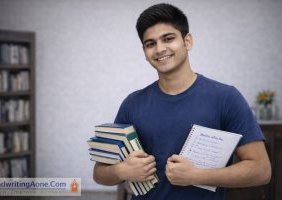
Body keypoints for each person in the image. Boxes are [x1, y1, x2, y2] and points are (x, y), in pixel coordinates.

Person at [93, 3, 271, 200]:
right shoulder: (132, 103)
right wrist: (122, 171)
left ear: (187, 41)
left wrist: (198, 176)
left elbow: (261, 170)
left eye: (168, 38)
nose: (160, 49)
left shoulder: (226, 98)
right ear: (144, 51)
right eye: (151, 43)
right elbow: (99, 173)